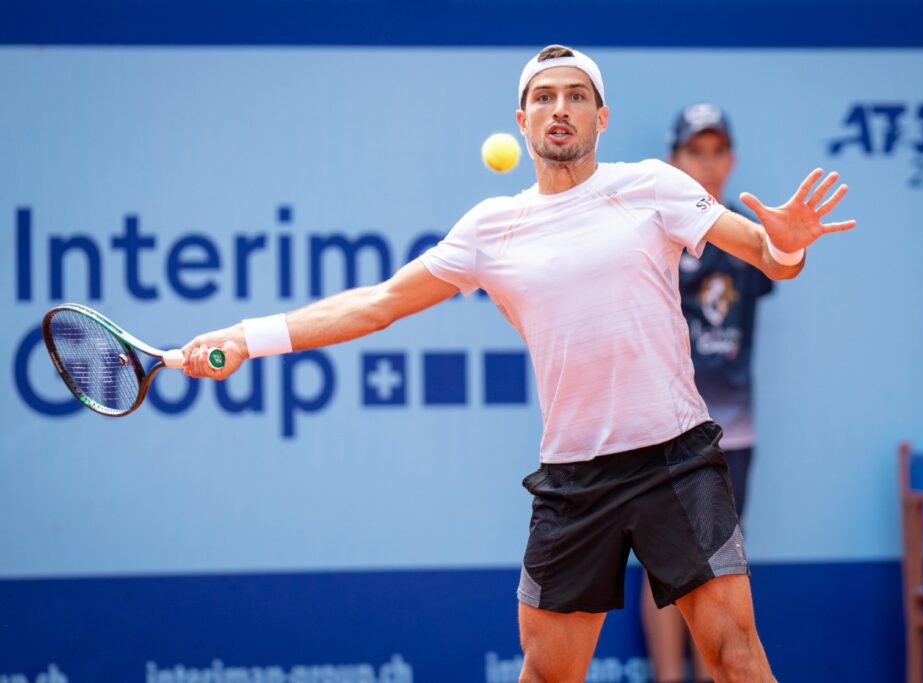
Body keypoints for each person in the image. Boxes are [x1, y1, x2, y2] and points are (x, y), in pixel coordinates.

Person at [180, 45, 854, 683]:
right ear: (522, 119)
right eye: (544, 96)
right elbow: (377, 304)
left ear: (602, 117)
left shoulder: (652, 185)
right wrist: (245, 336)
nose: (560, 107)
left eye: (576, 96)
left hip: (676, 461)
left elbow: (766, 255)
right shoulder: (490, 228)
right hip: (574, 480)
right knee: (546, 673)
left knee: (736, 658)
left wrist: (786, 246)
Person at [640, 103, 774, 683]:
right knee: (666, 568)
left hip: (732, 431)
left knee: (719, 573)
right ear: (674, 159)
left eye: (718, 151)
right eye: (695, 151)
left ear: (732, 160)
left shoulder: (746, 238)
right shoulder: (652, 235)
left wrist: (787, 242)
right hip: (664, 430)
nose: (708, 163)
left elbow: (780, 264)